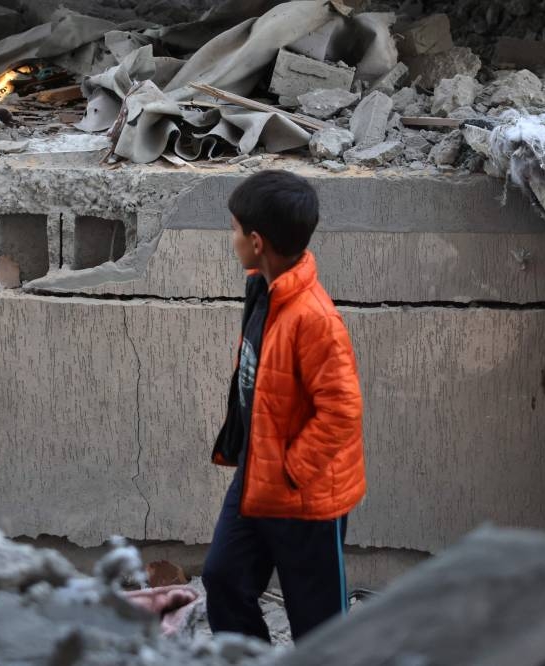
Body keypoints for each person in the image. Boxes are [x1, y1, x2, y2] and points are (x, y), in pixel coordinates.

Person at [202, 169, 366, 642]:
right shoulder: (264, 289)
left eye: (234, 230)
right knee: (223, 578)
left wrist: (291, 471)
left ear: (256, 241)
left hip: (305, 496)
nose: (230, 238)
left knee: (319, 627)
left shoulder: (314, 319)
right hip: (257, 478)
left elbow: (341, 411)